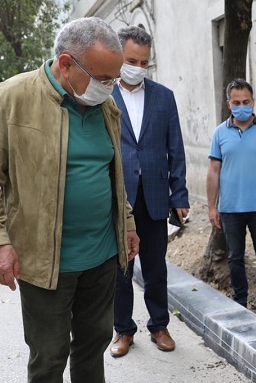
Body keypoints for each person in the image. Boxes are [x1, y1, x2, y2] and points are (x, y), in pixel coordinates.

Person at [0, 17, 141, 383]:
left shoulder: (103, 105)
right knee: (48, 353)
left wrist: (126, 224)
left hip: (100, 253)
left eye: (114, 77)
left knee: (93, 342)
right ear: (66, 64)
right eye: (103, 77)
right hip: (45, 259)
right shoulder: (13, 98)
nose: (111, 86)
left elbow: (114, 174)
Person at [109, 26, 189, 358]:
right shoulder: (104, 95)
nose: (138, 68)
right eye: (131, 61)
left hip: (155, 196)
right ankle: (123, 330)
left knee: (156, 267)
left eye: (144, 62)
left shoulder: (163, 97)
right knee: (120, 269)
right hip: (118, 197)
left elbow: (176, 148)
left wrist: (179, 195)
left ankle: (159, 326)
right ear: (119, 57)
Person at [206, 79, 256, 323]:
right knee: (235, 258)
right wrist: (212, 207)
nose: (242, 106)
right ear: (229, 103)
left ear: (253, 101)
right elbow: (213, 172)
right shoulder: (220, 133)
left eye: (246, 102)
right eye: (237, 102)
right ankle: (240, 302)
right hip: (230, 209)